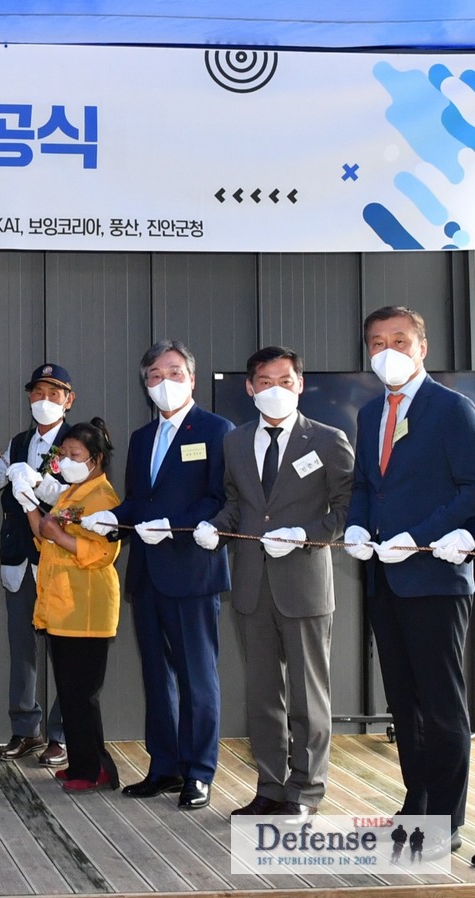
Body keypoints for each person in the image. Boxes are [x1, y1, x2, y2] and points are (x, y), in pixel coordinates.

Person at [193, 346, 353, 821]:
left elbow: (347, 510)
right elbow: (236, 505)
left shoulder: (328, 439)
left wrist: (306, 536)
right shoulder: (236, 441)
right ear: (250, 388)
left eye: (285, 381)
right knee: (263, 696)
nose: (275, 389)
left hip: (304, 585)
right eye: (265, 381)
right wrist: (214, 528)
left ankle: (305, 790)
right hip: (251, 584)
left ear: (300, 384)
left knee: (308, 696)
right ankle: (269, 787)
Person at [342, 305, 475, 854]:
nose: (387, 350)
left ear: (423, 347)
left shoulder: (453, 409)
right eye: (377, 342)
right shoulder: (371, 412)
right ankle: (416, 803)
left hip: (435, 577)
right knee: (404, 702)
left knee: (441, 705)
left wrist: (416, 536)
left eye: (399, 340)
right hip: (382, 580)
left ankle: (446, 818)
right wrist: (355, 524)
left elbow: (471, 488)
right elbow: (365, 485)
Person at [82, 339, 232, 811]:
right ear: (145, 385)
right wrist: (113, 518)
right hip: (147, 573)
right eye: (154, 376)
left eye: (173, 372)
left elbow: (219, 498)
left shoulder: (216, 429)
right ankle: (164, 766)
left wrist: (176, 525)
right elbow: (137, 501)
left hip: (192, 571)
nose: (164, 382)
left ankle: (199, 771)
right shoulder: (142, 437)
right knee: (156, 676)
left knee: (197, 678)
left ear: (192, 377)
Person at [0, 363, 72, 766]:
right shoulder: (19, 442)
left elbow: (77, 499)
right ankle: (26, 729)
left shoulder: (76, 443)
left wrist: (39, 484)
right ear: (29, 397)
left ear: (69, 400)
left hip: (58, 561)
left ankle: (62, 734)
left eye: (54, 394)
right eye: (38, 393)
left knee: (64, 650)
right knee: (22, 649)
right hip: (18, 561)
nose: (44, 400)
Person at [25, 418, 122, 792]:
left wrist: (56, 533)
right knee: (68, 691)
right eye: (62, 454)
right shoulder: (71, 494)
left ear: (95, 459)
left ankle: (95, 769)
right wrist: (29, 504)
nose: (65, 460)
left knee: (82, 694)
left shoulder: (102, 498)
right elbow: (46, 536)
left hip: (87, 609)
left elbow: (103, 552)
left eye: (74, 454)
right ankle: (82, 763)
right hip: (63, 608)